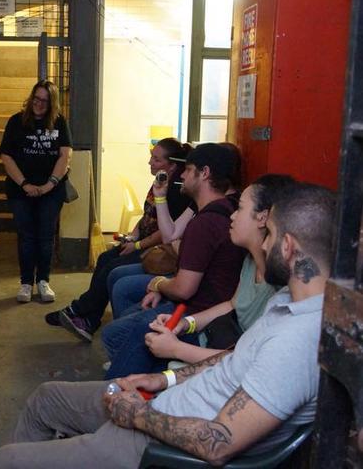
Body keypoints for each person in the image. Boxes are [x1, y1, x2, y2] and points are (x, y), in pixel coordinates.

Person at [0, 183, 336, 469]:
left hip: (153, 444)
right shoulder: (287, 303)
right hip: (161, 406)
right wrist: (162, 379)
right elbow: (232, 359)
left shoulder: (297, 341)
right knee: (46, 399)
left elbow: (220, 443)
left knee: (2, 461)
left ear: (289, 248)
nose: (266, 241)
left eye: (271, 234)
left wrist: (139, 416)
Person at [61, 143, 246, 348]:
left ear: (205, 173)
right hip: (184, 280)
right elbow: (171, 236)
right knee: (114, 270)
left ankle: (119, 344)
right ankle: (94, 324)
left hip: (194, 301)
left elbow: (185, 286)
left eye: (188, 169)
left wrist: (159, 282)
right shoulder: (204, 205)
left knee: (119, 292)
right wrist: (160, 197)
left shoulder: (211, 218)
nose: (183, 175)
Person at [143, 174, 295, 367]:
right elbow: (232, 304)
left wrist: (176, 349)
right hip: (220, 343)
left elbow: (249, 361)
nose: (232, 215)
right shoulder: (250, 260)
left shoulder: (282, 287)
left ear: (263, 218)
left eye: (239, 208)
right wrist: (186, 323)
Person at [44, 138, 191, 333]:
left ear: (172, 165)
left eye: (156, 159)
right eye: (151, 157)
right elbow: (148, 215)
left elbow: (165, 233)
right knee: (105, 258)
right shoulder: (161, 182)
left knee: (113, 268)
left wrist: (137, 246)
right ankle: (88, 318)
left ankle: (80, 312)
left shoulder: (176, 191)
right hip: (142, 241)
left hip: (157, 249)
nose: (150, 163)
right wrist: (132, 236)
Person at [0, 80, 72, 303]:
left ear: (52, 104)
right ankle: (25, 283)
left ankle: (43, 281)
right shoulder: (15, 122)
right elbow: (6, 156)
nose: (39, 104)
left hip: (51, 190)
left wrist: (50, 184)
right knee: (26, 237)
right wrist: (25, 184)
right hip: (20, 190)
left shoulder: (59, 122)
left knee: (46, 236)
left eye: (45, 101)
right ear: (31, 98)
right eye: (36, 99)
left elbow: (65, 155)